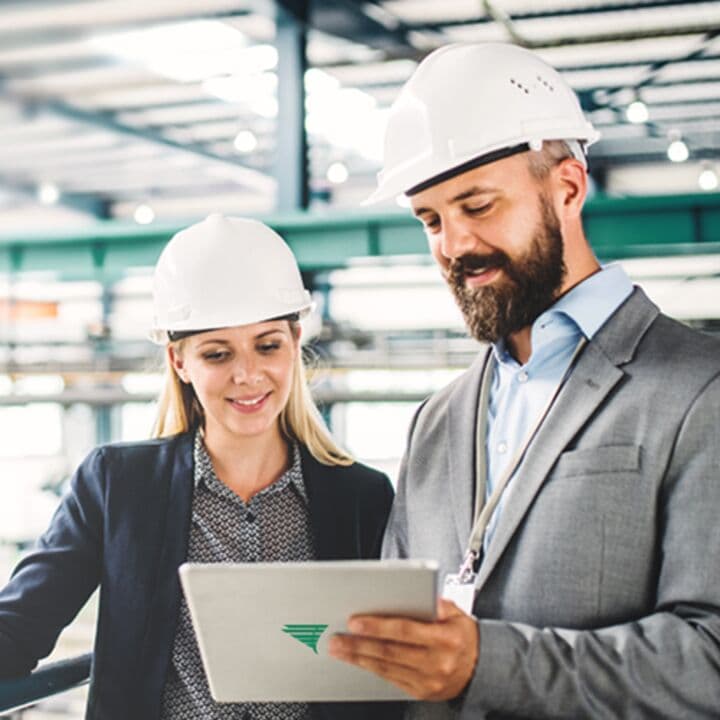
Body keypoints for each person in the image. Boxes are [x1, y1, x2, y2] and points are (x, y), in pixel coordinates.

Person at [327, 42, 720, 718]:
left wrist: (490, 661)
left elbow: (708, 659)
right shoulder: (438, 419)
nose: (453, 245)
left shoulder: (698, 391)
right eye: (431, 220)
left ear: (567, 188)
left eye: (477, 206)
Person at [0, 214, 401, 720]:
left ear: (295, 344)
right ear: (179, 362)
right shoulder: (117, 487)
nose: (248, 374)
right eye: (217, 354)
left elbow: (393, 662)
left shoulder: (362, 498)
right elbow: (19, 625)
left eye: (268, 345)